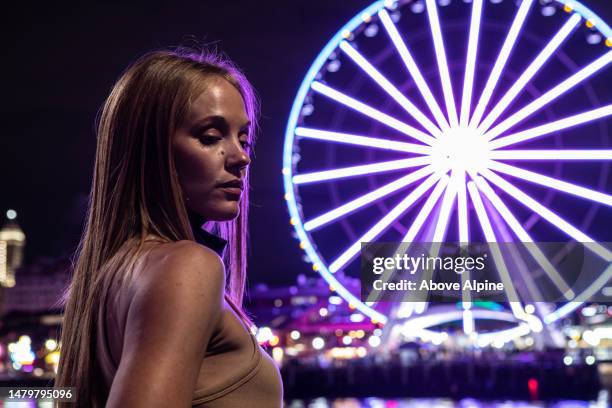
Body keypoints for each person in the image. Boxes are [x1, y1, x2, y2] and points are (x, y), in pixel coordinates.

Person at [54, 48, 284, 407]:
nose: (242, 157)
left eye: (244, 138)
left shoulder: (113, 276)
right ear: (151, 150)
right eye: (210, 137)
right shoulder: (187, 266)